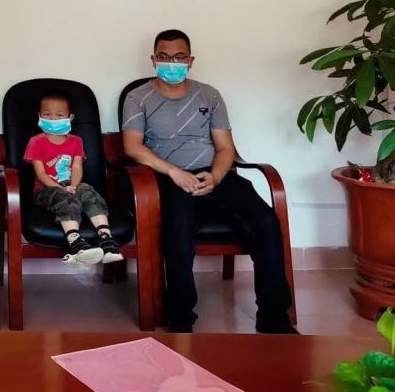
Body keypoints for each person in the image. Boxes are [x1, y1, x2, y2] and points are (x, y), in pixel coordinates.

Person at [122, 28, 296, 334]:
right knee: (179, 226)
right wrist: (176, 173)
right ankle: (181, 318)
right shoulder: (138, 97)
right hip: (168, 177)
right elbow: (133, 147)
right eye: (164, 57)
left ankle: (273, 318)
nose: (172, 63)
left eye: (179, 57)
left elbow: (226, 148)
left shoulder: (210, 95)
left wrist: (215, 176)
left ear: (191, 60)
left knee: (266, 221)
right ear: (153, 59)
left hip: (213, 174)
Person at [23, 92, 123, 265]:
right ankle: (76, 243)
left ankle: (106, 239)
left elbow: (77, 167)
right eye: (47, 114)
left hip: (71, 185)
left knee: (87, 190)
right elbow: (41, 173)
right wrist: (62, 189)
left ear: (70, 117)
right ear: (39, 116)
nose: (53, 119)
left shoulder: (76, 141)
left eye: (59, 115)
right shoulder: (36, 142)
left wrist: (74, 186)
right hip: (46, 190)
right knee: (66, 197)